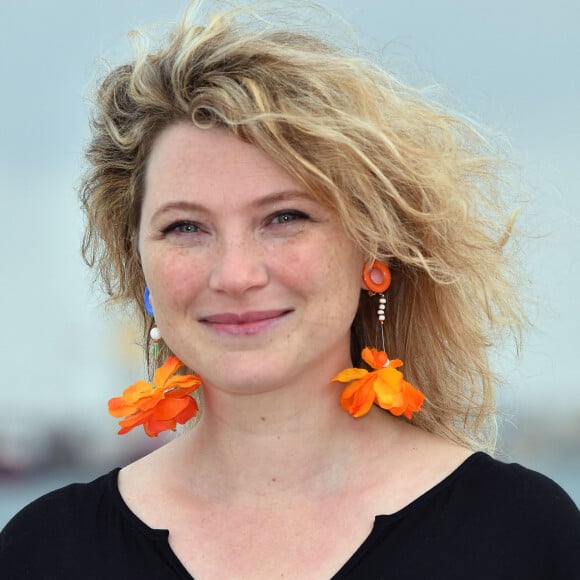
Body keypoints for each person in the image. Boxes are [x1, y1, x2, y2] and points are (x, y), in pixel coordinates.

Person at [1, 1, 579, 578]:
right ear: (140, 267)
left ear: (373, 247)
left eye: (284, 217)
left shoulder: (527, 537)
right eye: (185, 227)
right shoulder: (42, 552)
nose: (234, 274)